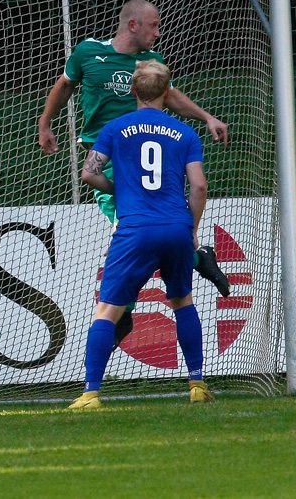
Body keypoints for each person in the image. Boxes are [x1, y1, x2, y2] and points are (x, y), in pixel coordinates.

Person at [38, 0, 231, 346]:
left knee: (134, 230)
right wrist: (45, 122)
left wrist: (206, 117)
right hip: (107, 156)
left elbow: (169, 96)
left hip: (141, 159)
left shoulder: (149, 65)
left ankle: (121, 313)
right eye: (153, 26)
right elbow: (65, 85)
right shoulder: (87, 52)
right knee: (149, 229)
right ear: (133, 26)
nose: (158, 33)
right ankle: (197, 258)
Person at [68, 60, 216, 409]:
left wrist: (119, 190)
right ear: (167, 92)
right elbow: (199, 186)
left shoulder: (116, 127)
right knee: (182, 301)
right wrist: (191, 228)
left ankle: (91, 393)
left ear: (133, 91)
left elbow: (89, 174)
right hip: (176, 227)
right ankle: (196, 384)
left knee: (107, 310)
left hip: (135, 228)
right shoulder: (185, 133)